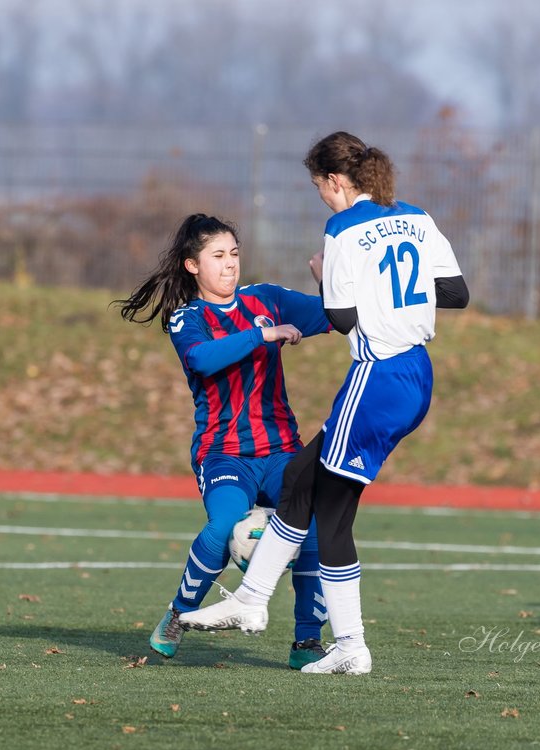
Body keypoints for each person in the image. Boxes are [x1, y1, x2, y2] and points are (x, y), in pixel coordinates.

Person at [181, 132, 469, 674]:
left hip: (377, 376)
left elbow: (341, 320)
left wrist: (324, 277)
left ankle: (255, 601)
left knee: (310, 495)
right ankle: (342, 643)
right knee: (319, 501)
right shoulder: (416, 216)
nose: (323, 199)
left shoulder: (342, 229)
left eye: (320, 189)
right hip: (416, 377)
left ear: (336, 182)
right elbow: (456, 293)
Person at [114, 213, 330, 669]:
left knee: (312, 530)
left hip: (281, 450)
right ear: (193, 266)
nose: (230, 264)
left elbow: (333, 317)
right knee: (225, 520)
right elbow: (202, 358)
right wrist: (263, 334)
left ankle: (307, 642)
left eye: (234, 254)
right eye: (217, 256)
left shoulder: (266, 298)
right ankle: (179, 613)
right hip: (223, 452)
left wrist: (331, 281)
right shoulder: (187, 317)